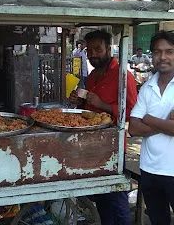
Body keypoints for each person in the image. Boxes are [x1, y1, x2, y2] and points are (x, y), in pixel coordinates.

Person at [69, 30, 137, 225]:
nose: (93, 55)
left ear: (109, 48)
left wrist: (103, 105)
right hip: (90, 146)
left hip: (113, 148)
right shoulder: (91, 76)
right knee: (101, 197)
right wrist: (79, 101)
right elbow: (88, 111)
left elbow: (133, 112)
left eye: (97, 49)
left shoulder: (123, 75)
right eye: (89, 50)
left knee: (115, 196)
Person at [128, 31, 174, 225]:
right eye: (157, 52)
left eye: (169, 51)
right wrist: (166, 123)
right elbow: (133, 128)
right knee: (157, 220)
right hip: (150, 169)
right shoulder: (148, 86)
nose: (162, 57)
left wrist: (146, 118)